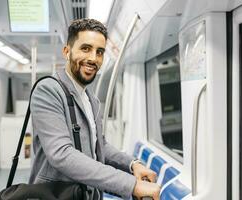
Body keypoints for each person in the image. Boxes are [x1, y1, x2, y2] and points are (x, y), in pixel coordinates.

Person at [29, 18, 161, 200]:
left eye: (99, 52)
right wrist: (131, 184)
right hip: (58, 195)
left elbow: (100, 146)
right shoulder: (48, 90)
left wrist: (133, 164)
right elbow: (61, 154)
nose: (93, 58)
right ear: (67, 51)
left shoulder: (91, 99)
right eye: (85, 48)